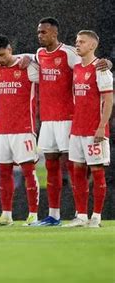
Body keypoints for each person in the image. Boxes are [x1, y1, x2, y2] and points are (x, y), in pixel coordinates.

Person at [35, 17, 111, 226]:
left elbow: (105, 93)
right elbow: (26, 60)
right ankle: (67, 215)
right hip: (60, 123)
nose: (40, 35)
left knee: (88, 169)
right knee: (67, 168)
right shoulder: (41, 55)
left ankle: (94, 216)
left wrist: (101, 126)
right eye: (39, 32)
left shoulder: (73, 57)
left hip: (75, 121)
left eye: (44, 32)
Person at [64, 30, 112, 228]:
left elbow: (109, 100)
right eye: (76, 41)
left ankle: (96, 217)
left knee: (97, 171)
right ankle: (82, 216)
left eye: (82, 42)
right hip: (77, 129)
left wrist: (101, 126)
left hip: (94, 130)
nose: (78, 44)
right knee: (77, 172)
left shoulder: (101, 69)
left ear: (92, 46)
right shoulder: (76, 67)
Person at [0, 35, 40, 226]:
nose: (0, 59)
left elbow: (46, 61)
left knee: (28, 171)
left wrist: (32, 57)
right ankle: (7, 215)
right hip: (2, 130)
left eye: (2, 54)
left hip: (24, 128)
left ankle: (34, 215)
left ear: (10, 49)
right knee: (3, 172)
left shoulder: (27, 67)